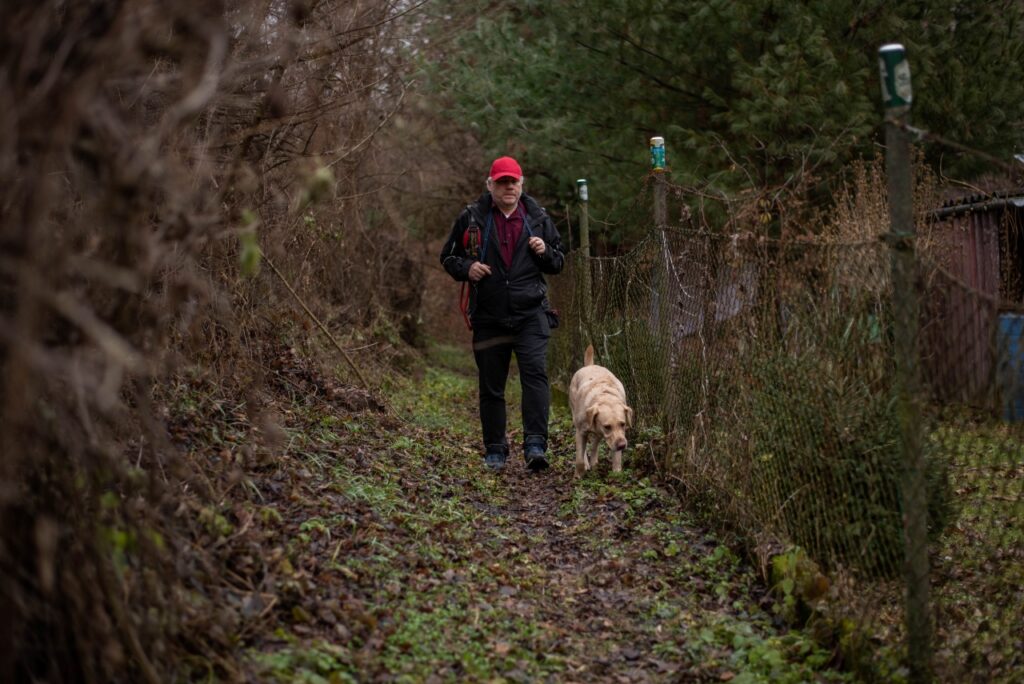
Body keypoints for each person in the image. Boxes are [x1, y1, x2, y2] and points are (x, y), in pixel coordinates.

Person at [440, 156, 565, 472]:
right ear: (490, 185)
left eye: (514, 181)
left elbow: (559, 261)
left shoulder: (537, 218)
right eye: (502, 182)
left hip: (531, 313)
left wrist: (545, 252)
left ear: (522, 184)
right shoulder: (471, 218)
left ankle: (536, 445)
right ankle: (495, 450)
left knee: (535, 377)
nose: (509, 187)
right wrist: (467, 268)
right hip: (489, 315)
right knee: (491, 385)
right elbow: (448, 257)